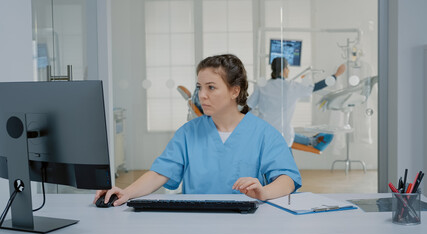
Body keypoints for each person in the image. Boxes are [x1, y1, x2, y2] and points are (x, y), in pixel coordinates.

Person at [94, 54, 301, 206]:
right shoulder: (188, 133)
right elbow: (160, 173)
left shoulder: (264, 133)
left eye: (211, 87)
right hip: (195, 220)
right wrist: (126, 192)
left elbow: (287, 179)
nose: (202, 95)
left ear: (234, 91)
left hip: (247, 222)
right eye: (199, 87)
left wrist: (263, 192)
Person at [247, 57, 346, 151]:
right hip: (282, 139)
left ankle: (312, 141)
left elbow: (247, 107)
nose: (289, 71)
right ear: (284, 70)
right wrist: (336, 75)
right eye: (288, 68)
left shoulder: (262, 87)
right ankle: (312, 141)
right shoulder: (291, 87)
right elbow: (316, 87)